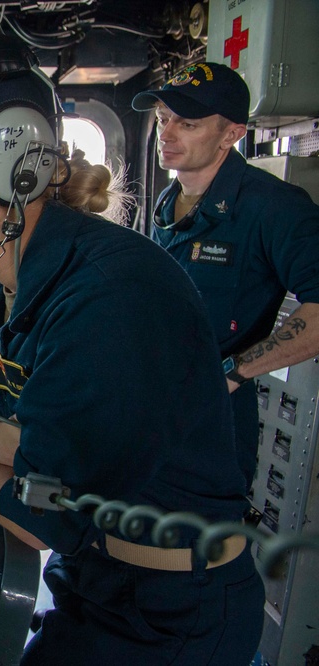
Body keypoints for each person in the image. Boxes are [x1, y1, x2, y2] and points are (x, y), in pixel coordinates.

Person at [0, 35, 263, 664]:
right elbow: (17, 433)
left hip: (175, 615)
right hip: (100, 586)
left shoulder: (109, 295)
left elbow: (42, 519)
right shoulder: (13, 282)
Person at [131, 62, 319, 491]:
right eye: (163, 119)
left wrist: (232, 374)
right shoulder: (169, 198)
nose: (166, 134)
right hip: (155, 399)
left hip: (214, 418)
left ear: (231, 134)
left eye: (188, 124)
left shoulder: (273, 207)